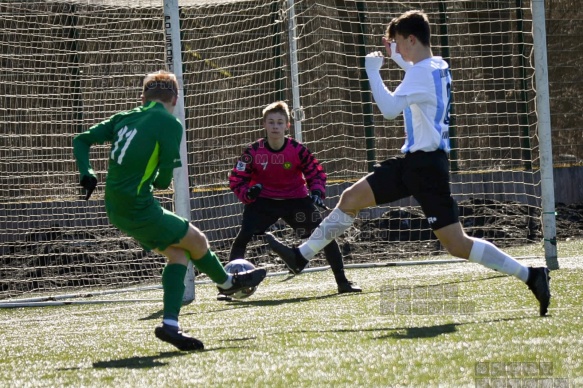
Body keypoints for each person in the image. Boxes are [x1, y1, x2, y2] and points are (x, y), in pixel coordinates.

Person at [265, 10, 551, 316]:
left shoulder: (420, 73)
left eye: (400, 43)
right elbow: (417, 71)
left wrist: (372, 71)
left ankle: (531, 275)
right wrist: (398, 57)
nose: (397, 50)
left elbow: (388, 109)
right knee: (350, 199)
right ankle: (301, 257)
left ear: (412, 39)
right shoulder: (437, 64)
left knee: (457, 244)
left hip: (426, 171)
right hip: (417, 163)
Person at [72, 70, 267, 351]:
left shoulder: (123, 118)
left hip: (115, 209)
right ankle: (226, 283)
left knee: (178, 254)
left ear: (143, 97)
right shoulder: (170, 123)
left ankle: (171, 326)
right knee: (198, 240)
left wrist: (87, 173)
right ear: (175, 98)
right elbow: (164, 180)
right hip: (139, 207)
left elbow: (81, 140)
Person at [225, 100, 361, 299]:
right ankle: (229, 287)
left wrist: (316, 192)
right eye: (271, 122)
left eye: (280, 122)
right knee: (242, 239)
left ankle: (343, 283)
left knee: (325, 236)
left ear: (287, 125)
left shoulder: (298, 150)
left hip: (296, 201)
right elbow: (236, 179)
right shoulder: (253, 151)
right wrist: (248, 193)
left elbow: (316, 174)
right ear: (264, 125)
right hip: (263, 203)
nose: (275, 126)